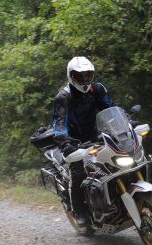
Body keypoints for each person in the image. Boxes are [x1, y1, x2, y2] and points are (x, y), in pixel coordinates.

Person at [52, 56, 115, 227]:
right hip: (73, 142)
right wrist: (65, 144)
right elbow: (59, 122)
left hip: (94, 135)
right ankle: (79, 211)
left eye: (88, 75)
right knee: (78, 171)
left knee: (114, 163)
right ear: (71, 76)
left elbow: (110, 107)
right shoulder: (64, 96)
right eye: (80, 76)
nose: (85, 79)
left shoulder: (96, 90)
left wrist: (126, 121)